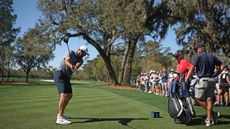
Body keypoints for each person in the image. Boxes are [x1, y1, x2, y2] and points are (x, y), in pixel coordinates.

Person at [185, 43, 224, 127]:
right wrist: (216, 74)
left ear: (201, 48)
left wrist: (187, 78)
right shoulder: (212, 56)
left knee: (196, 97)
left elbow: (192, 68)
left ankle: (212, 113)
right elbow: (222, 66)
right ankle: (209, 120)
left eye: (197, 49)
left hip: (203, 80)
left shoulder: (198, 57)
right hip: (212, 80)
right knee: (209, 99)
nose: (197, 51)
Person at [54, 45, 89, 124]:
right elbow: (66, 60)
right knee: (64, 95)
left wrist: (74, 67)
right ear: (80, 50)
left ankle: (61, 113)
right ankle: (59, 118)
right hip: (60, 74)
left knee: (69, 95)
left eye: (85, 54)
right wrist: (71, 65)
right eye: (84, 53)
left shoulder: (81, 60)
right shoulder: (71, 52)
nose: (84, 55)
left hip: (67, 77)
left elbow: (77, 66)